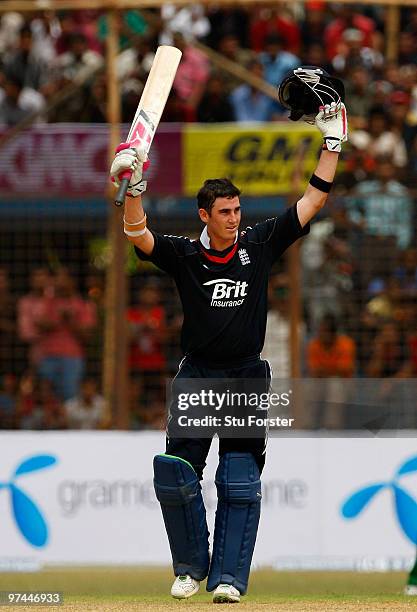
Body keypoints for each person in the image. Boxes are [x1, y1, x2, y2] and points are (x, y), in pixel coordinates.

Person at [110, 94, 348, 602]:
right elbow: (137, 232)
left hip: (244, 376)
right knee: (177, 477)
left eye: (238, 209)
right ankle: (190, 570)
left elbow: (313, 200)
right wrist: (133, 187)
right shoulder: (185, 253)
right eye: (225, 212)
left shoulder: (258, 243)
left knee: (239, 480)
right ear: (204, 214)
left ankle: (228, 580)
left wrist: (332, 142)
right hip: (197, 375)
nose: (235, 218)